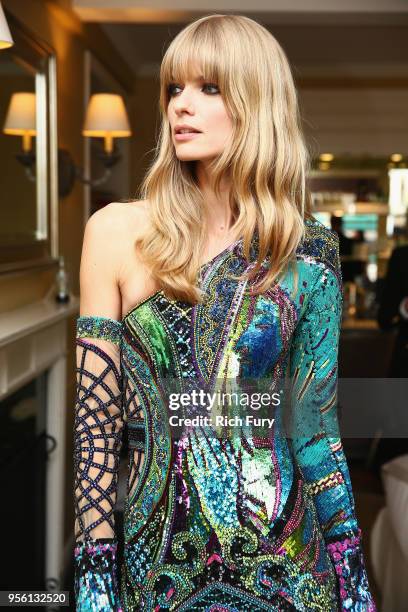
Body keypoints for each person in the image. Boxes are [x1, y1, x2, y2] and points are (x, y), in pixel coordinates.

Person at [73, 14, 376, 611]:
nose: (181, 105)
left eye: (208, 88)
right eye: (174, 88)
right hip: (154, 568)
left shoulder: (309, 251)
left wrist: (354, 583)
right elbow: (95, 435)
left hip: (289, 567)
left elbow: (315, 433)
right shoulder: (116, 231)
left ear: (256, 102)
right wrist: (93, 584)